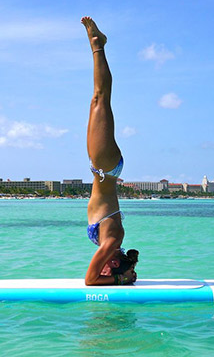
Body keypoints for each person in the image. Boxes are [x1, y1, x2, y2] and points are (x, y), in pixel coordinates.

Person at [81, 16, 138, 286]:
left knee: (97, 100)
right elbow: (90, 281)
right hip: (105, 166)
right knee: (100, 97)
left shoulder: (110, 243)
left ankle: (97, 45)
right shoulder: (113, 240)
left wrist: (120, 276)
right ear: (114, 261)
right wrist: (119, 280)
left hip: (102, 167)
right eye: (110, 268)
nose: (104, 268)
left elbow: (95, 276)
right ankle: (98, 45)